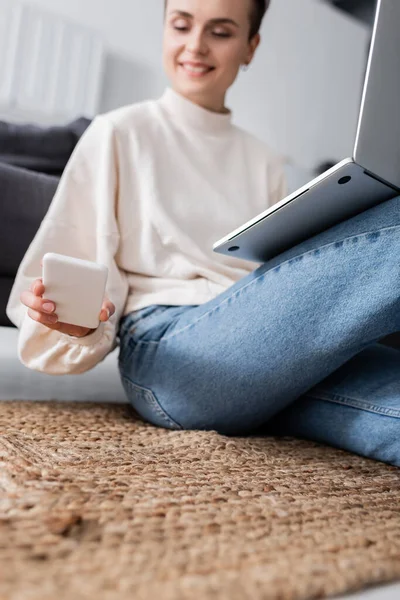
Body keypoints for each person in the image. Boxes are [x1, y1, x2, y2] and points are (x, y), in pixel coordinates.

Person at [7, 0, 400, 467]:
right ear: (165, 32)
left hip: (262, 355)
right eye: (181, 25)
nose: (195, 45)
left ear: (250, 47)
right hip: (171, 352)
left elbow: (276, 287)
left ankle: (261, 400)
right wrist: (79, 324)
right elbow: (78, 271)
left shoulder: (265, 161)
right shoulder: (118, 132)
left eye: (220, 31)